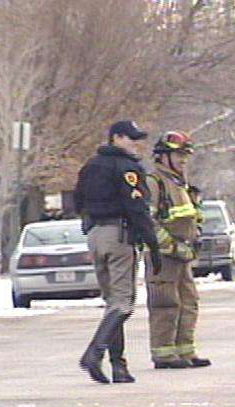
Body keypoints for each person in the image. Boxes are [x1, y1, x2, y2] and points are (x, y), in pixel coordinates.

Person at [75, 120, 162, 384]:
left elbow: (78, 200)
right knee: (123, 303)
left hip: (95, 235)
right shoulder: (126, 168)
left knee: (112, 301)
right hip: (119, 235)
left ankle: (118, 365)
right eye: (131, 138)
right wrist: (153, 244)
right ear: (116, 138)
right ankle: (95, 352)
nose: (136, 144)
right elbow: (137, 208)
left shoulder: (90, 166)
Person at [144, 131, 211, 369]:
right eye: (179, 155)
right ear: (163, 157)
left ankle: (185, 350)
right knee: (165, 302)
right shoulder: (154, 183)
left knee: (188, 301)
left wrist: (194, 238)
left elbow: (192, 217)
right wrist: (172, 247)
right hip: (163, 257)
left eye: (185, 155)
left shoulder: (179, 184)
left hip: (183, 255)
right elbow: (147, 223)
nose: (184, 160)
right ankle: (164, 353)